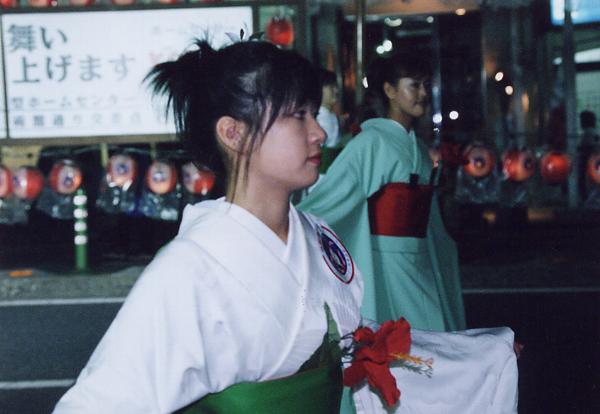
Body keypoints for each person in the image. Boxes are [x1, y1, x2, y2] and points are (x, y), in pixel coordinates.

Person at [52, 40, 517, 414]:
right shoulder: (189, 269)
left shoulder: (319, 240)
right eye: (298, 116)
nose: (319, 132)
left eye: (314, 114)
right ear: (233, 133)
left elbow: (360, 343)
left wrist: (478, 357)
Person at [298, 50, 465, 331]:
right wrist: (293, 222)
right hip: (384, 261)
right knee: (400, 335)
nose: (423, 93)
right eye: (414, 85)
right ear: (390, 90)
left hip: (421, 257)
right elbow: (333, 196)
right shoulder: (370, 143)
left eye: (426, 85)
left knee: (427, 334)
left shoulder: (418, 148)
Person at [578, 110, 599, 202]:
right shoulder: (594, 132)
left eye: (582, 120)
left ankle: (586, 200)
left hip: (587, 163)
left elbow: (588, 147)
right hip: (594, 164)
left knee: (585, 183)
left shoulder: (588, 133)